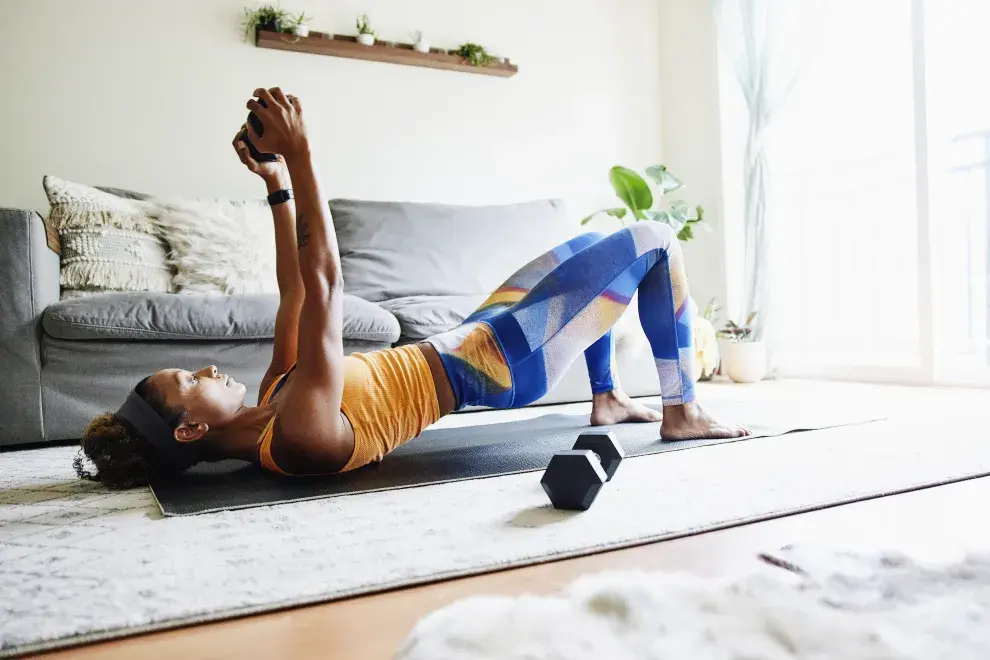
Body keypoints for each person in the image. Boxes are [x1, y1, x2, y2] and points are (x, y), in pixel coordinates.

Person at [74, 88, 749, 489]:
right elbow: (327, 287)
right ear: (191, 428)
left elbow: (295, 293)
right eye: (190, 378)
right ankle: (681, 410)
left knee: (587, 248)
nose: (210, 367)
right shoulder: (297, 437)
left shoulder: (274, 402)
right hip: (498, 361)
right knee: (655, 240)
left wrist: (277, 184)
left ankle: (606, 397)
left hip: (472, 337)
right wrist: (305, 155)